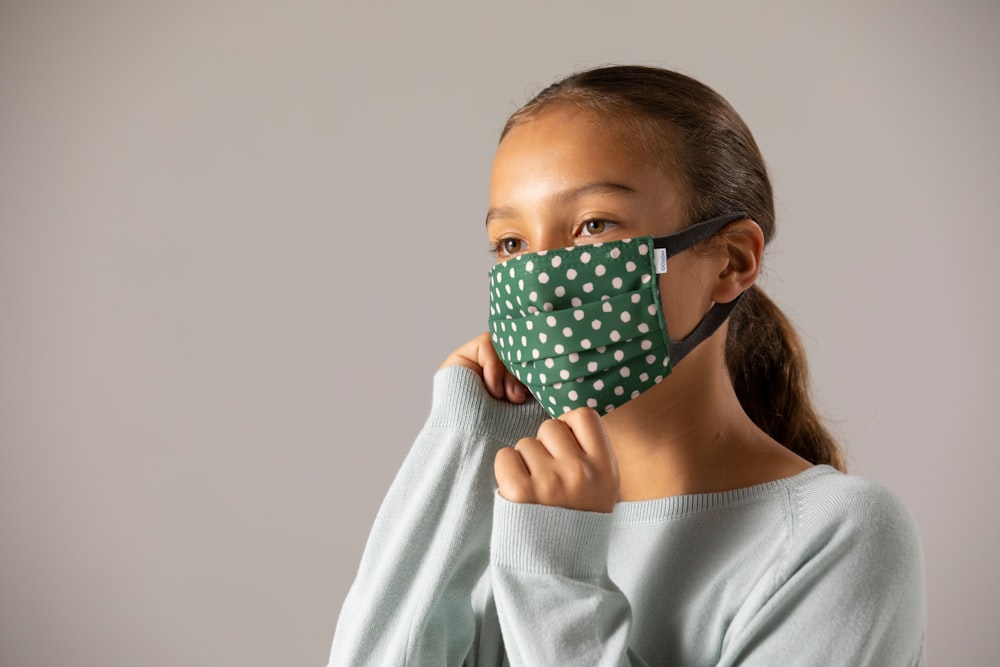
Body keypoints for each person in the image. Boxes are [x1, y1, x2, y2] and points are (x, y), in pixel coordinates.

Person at [326, 65, 926, 666]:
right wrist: (462, 445)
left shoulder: (839, 536)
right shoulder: (505, 514)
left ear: (731, 261)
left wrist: (554, 571)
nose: (539, 285)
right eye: (512, 244)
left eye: (593, 226)